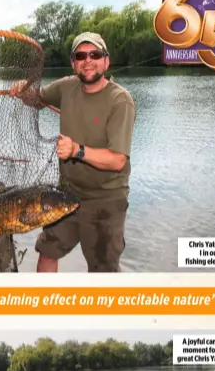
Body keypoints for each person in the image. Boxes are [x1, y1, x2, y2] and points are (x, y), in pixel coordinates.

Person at [10, 32, 136, 273]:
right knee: (47, 251)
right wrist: (22, 90)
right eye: (81, 56)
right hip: (66, 193)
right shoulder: (67, 86)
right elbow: (36, 98)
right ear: (73, 63)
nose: (88, 61)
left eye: (95, 54)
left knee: (103, 270)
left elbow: (118, 161)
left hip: (105, 199)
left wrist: (76, 150)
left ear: (106, 61)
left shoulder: (121, 101)